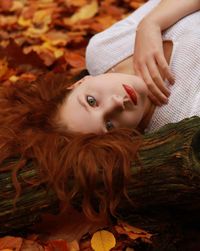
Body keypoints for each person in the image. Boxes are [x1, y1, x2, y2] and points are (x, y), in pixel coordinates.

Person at [0, 0, 199, 226]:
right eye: (110, 125)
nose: (116, 103)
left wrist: (151, 23)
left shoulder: (104, 50)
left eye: (91, 101)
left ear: (79, 83)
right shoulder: (184, 118)